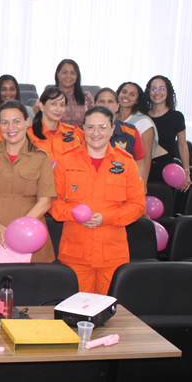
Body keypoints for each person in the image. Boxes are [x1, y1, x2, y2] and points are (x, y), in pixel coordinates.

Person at [50, 106, 146, 295]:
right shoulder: (65, 161)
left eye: (102, 127)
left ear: (112, 129)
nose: (96, 133)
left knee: (108, 315)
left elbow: (137, 206)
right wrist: (74, 214)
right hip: (76, 254)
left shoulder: (126, 163)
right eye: (91, 127)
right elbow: (53, 203)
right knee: (75, 313)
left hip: (112, 256)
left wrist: (106, 218)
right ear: (83, 129)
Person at [0, 101, 56, 276]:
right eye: (5, 122)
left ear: (27, 122)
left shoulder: (41, 157)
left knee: (25, 297)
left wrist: (17, 231)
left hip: (28, 237)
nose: (11, 127)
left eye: (17, 121)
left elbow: (45, 202)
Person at [146, 75, 192, 191]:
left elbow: (182, 145)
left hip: (167, 169)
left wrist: (186, 171)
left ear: (168, 92)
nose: (157, 92)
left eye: (162, 88)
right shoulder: (142, 116)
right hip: (145, 167)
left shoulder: (176, 117)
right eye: (153, 88)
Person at [94, 88, 148, 186]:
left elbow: (140, 164)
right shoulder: (83, 132)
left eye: (110, 101)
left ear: (117, 106)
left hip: (124, 187)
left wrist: (141, 186)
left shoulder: (132, 131)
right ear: (94, 105)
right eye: (102, 101)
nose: (106, 105)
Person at [116, 82, 158, 185]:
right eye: (124, 92)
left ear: (137, 101)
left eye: (132, 94)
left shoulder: (144, 122)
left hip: (132, 175)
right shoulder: (110, 119)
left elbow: (147, 157)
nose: (126, 96)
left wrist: (143, 182)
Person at [28, 86, 83, 163]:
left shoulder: (73, 132)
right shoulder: (28, 133)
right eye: (53, 104)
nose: (59, 109)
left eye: (62, 105)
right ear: (41, 106)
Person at [40, 59, 94, 127]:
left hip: (80, 135)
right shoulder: (48, 95)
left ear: (77, 76)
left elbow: (96, 117)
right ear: (58, 74)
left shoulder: (86, 96)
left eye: (72, 73)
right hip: (54, 135)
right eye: (65, 72)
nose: (68, 76)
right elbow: (36, 116)